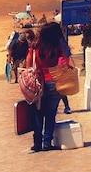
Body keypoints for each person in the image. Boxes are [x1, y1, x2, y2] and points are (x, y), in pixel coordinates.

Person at [26, 22, 68, 152]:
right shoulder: (59, 46)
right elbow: (67, 58)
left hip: (39, 83)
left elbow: (28, 64)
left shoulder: (35, 46)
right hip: (55, 82)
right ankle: (46, 142)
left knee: (38, 114)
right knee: (50, 114)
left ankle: (37, 142)